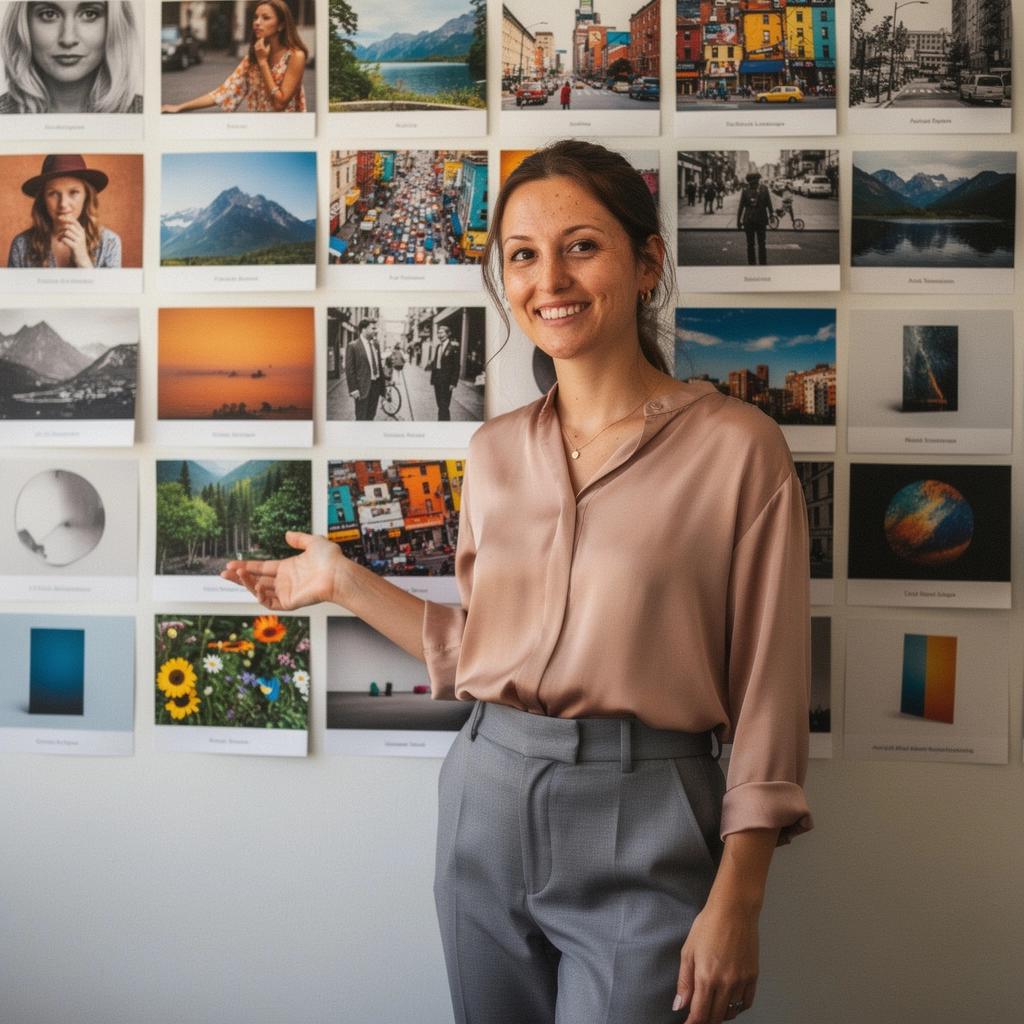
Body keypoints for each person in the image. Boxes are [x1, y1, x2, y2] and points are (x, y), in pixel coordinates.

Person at [222, 140, 811, 1024]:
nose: (550, 281)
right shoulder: (493, 453)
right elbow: (480, 652)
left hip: (647, 813)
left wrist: (740, 899)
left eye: (582, 246)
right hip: (483, 799)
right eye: (523, 256)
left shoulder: (738, 448)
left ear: (647, 261)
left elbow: (769, 691)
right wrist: (343, 581)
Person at [161, 0, 307, 114]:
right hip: (258, 130)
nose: (257, 22)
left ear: (281, 25)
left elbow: (279, 104)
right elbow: (223, 92)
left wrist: (263, 62)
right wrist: (180, 107)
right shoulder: (252, 58)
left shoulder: (295, 56)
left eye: (265, 18)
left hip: (287, 131)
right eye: (255, 17)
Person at [0, 1, 142, 114]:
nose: (68, 39)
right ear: (23, 23)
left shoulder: (145, 113)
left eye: (89, 13)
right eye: (49, 14)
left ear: (115, 23)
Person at [8, 153, 121, 268]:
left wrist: (83, 260)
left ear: (86, 196)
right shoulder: (21, 245)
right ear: (43, 199)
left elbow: (110, 287)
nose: (63, 204)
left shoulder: (109, 243)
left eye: (73, 192)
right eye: (53, 193)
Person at [346, 318, 384, 421]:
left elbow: (379, 366)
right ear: (363, 329)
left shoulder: (376, 345)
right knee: (361, 417)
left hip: (375, 386)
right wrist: (353, 389)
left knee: (371, 416)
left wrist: (383, 389)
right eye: (372, 328)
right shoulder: (353, 346)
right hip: (362, 388)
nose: (375, 331)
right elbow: (350, 370)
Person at [737, 169, 773, 266]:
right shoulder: (764, 189)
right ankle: (761, 264)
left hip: (749, 220)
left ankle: (753, 264)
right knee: (760, 244)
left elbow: (741, 207)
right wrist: (771, 215)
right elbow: (769, 204)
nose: (752, 183)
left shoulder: (746, 190)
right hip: (759, 220)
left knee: (752, 245)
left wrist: (738, 221)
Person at [430, 325, 461, 421]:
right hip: (437, 379)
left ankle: (443, 424)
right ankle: (443, 422)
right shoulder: (438, 347)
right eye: (438, 332)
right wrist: (433, 378)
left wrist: (453, 382)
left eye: (441, 332)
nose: (439, 334)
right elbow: (436, 363)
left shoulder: (453, 347)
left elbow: (456, 366)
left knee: (444, 405)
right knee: (440, 404)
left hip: (447, 381)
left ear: (448, 334)